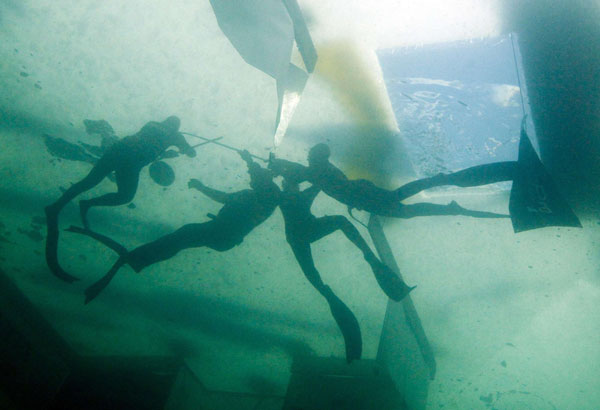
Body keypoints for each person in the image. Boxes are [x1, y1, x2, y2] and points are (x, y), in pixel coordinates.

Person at [76, 150, 281, 303]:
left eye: (255, 179)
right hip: (220, 233)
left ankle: (138, 258)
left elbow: (260, 182)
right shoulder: (251, 194)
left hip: (223, 234)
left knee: (183, 236)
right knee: (181, 239)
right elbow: (223, 197)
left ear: (264, 182)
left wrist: (251, 163)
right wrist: (201, 187)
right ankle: (138, 259)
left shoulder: (269, 196)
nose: (251, 180)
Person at [45, 116, 196, 282]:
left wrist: (167, 152)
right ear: (176, 127)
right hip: (130, 164)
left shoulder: (152, 124)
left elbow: (148, 146)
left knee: (88, 182)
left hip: (118, 151)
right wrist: (184, 148)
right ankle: (87, 203)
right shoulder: (175, 136)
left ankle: (58, 206)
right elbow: (190, 153)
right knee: (125, 196)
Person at [279, 177, 415, 362]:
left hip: (301, 234)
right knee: (315, 276)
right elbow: (320, 182)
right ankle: (338, 286)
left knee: (339, 224)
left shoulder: (290, 196)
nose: (291, 188)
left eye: (292, 185)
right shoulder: (292, 197)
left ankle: (367, 256)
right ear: (288, 187)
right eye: (289, 186)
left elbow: (319, 182)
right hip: (301, 236)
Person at [269, 143, 509, 219]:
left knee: (401, 206)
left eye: (311, 153)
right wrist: (276, 166)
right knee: (401, 205)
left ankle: (439, 190)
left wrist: (274, 166)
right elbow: (294, 172)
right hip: (360, 192)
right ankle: (439, 191)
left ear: (316, 156)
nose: (308, 155)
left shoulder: (317, 170)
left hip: (360, 194)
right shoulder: (319, 169)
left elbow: (295, 173)